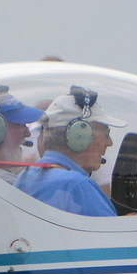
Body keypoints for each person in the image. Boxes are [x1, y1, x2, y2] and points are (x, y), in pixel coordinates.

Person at [16, 88, 121, 217]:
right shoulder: (77, 185)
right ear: (80, 136)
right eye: (106, 134)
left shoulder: (26, 176)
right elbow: (114, 236)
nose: (109, 142)